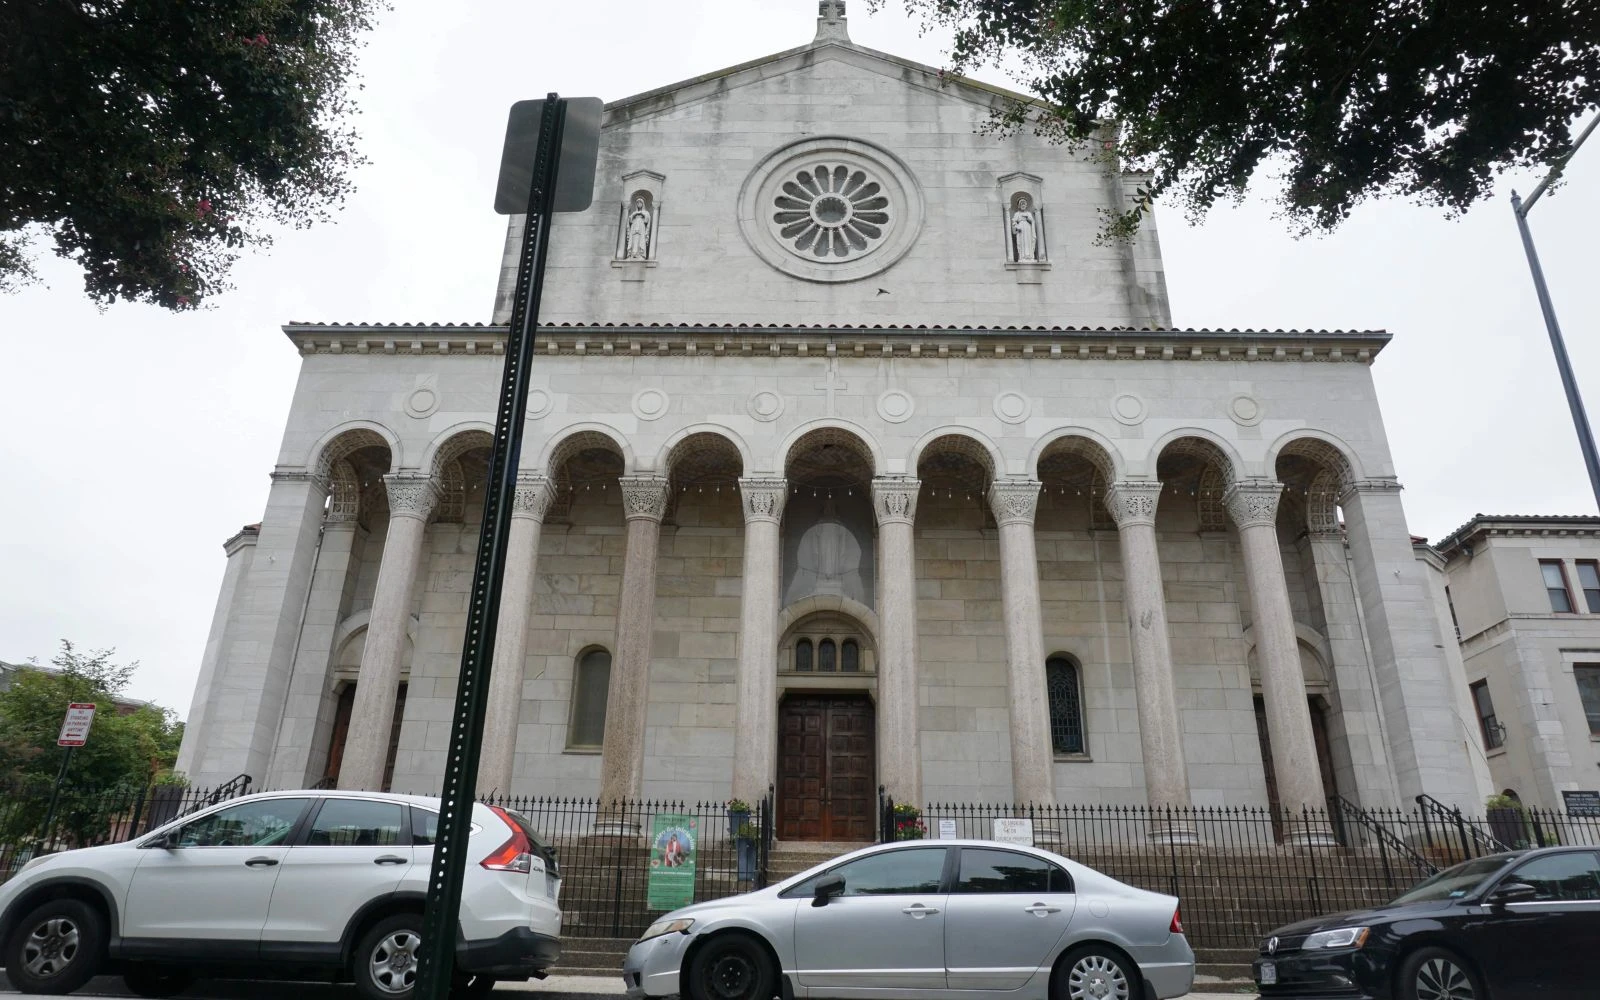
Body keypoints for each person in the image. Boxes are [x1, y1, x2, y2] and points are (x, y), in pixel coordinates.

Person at [1011, 195, 1039, 262]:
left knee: (1028, 242)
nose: (1023, 205)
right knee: (1022, 242)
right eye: (1021, 204)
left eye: (1024, 204)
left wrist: (1028, 219)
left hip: (1028, 229)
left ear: (1026, 205)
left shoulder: (1028, 213)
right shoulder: (1017, 214)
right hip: (1021, 230)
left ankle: (1030, 256)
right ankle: (1022, 256)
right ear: (1019, 205)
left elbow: (1032, 221)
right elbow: (1013, 222)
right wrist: (1017, 227)